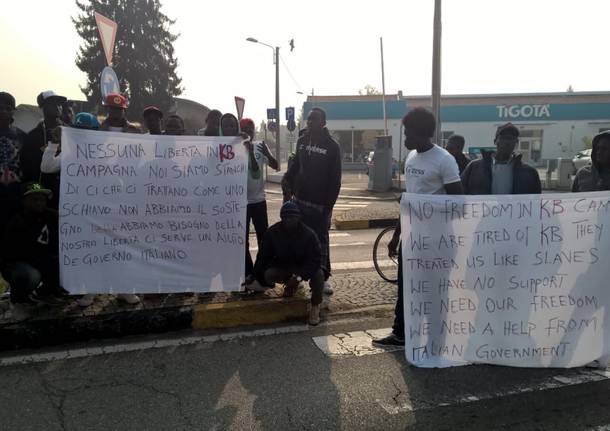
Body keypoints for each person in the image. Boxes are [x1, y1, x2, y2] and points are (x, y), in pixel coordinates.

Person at [373, 107, 463, 347]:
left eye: (408, 133)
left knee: (435, 290)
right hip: (412, 239)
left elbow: (458, 204)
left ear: (422, 133)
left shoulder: (445, 160)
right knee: (405, 287)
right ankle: (401, 332)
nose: (405, 139)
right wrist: (396, 236)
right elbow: (409, 201)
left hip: (437, 240)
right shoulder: (411, 158)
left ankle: (438, 337)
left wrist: (420, 204)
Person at [283, 107, 341, 295]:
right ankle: (298, 276)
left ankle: (322, 279)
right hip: (300, 201)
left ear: (323, 122)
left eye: (314, 119)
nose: (309, 122)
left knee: (320, 242)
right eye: (308, 119)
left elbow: (335, 180)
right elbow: (295, 168)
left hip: (320, 205)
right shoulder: (301, 141)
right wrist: (287, 179)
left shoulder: (332, 147)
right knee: (299, 241)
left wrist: (328, 207)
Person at [251, 202, 325, 325]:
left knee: (319, 275)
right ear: (281, 218)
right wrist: (253, 275)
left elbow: (315, 261)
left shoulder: (309, 235)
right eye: (285, 217)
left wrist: (298, 277)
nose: (289, 220)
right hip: (284, 267)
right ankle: (290, 286)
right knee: (268, 274)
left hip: (303, 269)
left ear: (298, 218)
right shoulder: (272, 233)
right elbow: (262, 256)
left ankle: (315, 305)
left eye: (292, 217)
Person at [99, 94, 141, 305]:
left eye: (119, 109)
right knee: (100, 242)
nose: (115, 113)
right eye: (111, 109)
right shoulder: (96, 131)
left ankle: (125, 287)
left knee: (125, 242)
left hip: (128, 193)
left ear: (124, 110)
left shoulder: (135, 131)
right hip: (101, 193)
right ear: (107, 109)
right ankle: (92, 288)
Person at [2, 182, 65, 315]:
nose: (40, 203)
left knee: (61, 262)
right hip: (17, 264)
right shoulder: (17, 222)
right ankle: (18, 300)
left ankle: (45, 293)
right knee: (31, 276)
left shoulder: (52, 216)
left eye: (42, 199)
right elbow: (16, 254)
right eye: (35, 199)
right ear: (25, 201)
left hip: (41, 260)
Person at [240, 118, 279, 278]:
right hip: (240, 203)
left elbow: (275, 166)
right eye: (245, 128)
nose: (249, 131)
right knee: (242, 241)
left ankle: (260, 270)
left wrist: (267, 155)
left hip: (259, 201)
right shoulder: (232, 147)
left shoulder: (260, 145)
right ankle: (247, 272)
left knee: (264, 237)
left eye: (251, 128)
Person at [461, 123, 541, 195]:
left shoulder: (529, 172)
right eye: (504, 138)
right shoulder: (474, 167)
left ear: (516, 143)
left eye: (512, 139)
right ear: (495, 141)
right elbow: (461, 193)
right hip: (482, 211)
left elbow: (536, 201)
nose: (507, 142)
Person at [22, 91, 67, 209]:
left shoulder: (69, 131)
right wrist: (36, 192)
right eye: (53, 103)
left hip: (66, 192)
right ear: (42, 107)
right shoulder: (33, 135)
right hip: (41, 193)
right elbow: (28, 167)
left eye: (60, 104)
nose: (58, 107)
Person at [0, 92, 28, 229]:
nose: (3, 111)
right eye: (0, 107)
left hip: (15, 195)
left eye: (8, 108)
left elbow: (28, 164)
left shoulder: (22, 135)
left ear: (13, 111)